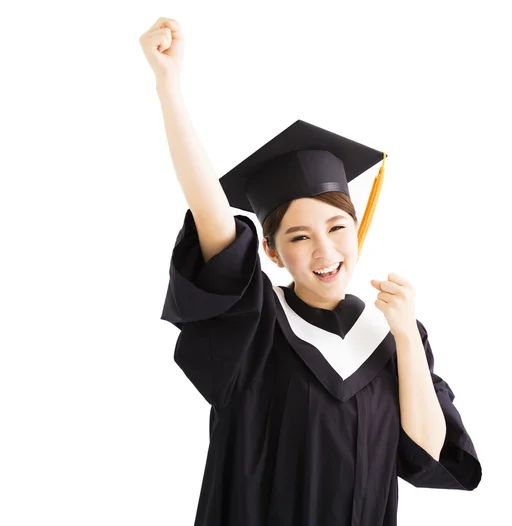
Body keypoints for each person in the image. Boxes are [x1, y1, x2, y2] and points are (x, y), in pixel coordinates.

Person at [140, 16, 482, 526]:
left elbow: (427, 451)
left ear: (357, 230)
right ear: (272, 253)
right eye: (298, 237)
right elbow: (211, 213)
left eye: (337, 227)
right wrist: (169, 85)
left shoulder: (388, 336)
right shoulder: (255, 322)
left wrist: (407, 337)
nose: (325, 249)